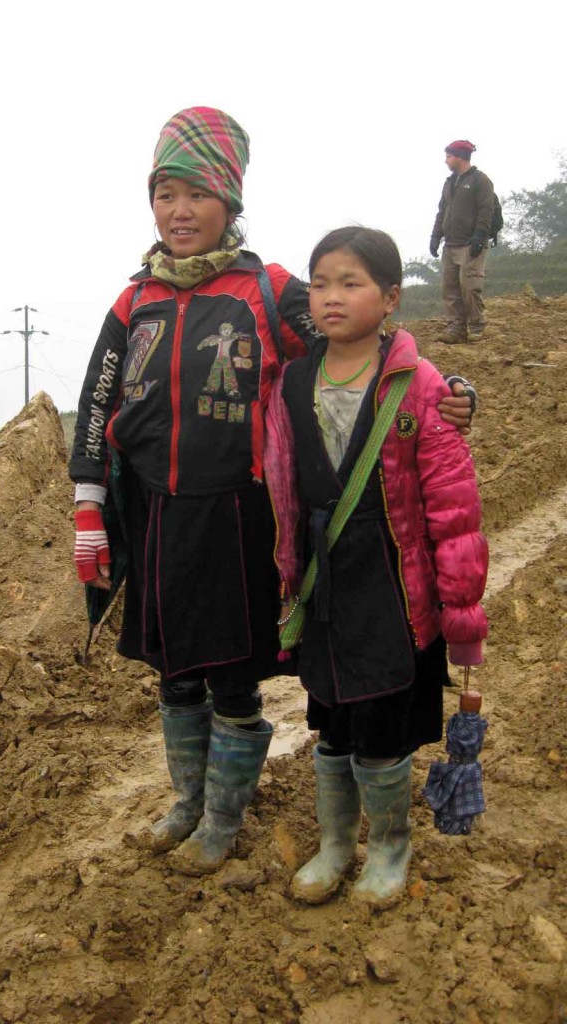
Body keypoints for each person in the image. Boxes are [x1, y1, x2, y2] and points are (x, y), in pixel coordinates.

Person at [69, 107, 475, 878]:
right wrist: (90, 504)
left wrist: (444, 388)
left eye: (196, 194)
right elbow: (97, 404)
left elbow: (352, 350)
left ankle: (223, 817)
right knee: (173, 670)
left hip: (236, 519)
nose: (178, 211)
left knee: (228, 673)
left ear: (229, 198)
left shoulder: (268, 289)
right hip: (157, 515)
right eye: (164, 195)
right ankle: (186, 802)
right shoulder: (135, 302)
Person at [264, 226, 488, 908]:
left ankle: (389, 848)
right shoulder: (295, 378)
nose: (332, 297)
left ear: (390, 298)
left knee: (383, 730)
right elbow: (280, 479)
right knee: (330, 724)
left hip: (392, 590)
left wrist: (462, 618)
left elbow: (454, 511)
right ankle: (336, 845)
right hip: (326, 582)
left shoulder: (420, 387)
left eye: (351, 282)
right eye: (321, 282)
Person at [429, 140, 495, 344]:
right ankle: (456, 328)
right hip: (450, 243)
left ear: (459, 157)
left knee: (469, 286)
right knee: (450, 288)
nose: (446, 160)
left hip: (470, 243)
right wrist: (435, 236)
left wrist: (479, 236)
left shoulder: (481, 180)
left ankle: (477, 327)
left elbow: (486, 210)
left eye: (448, 156)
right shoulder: (449, 183)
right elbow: (442, 211)